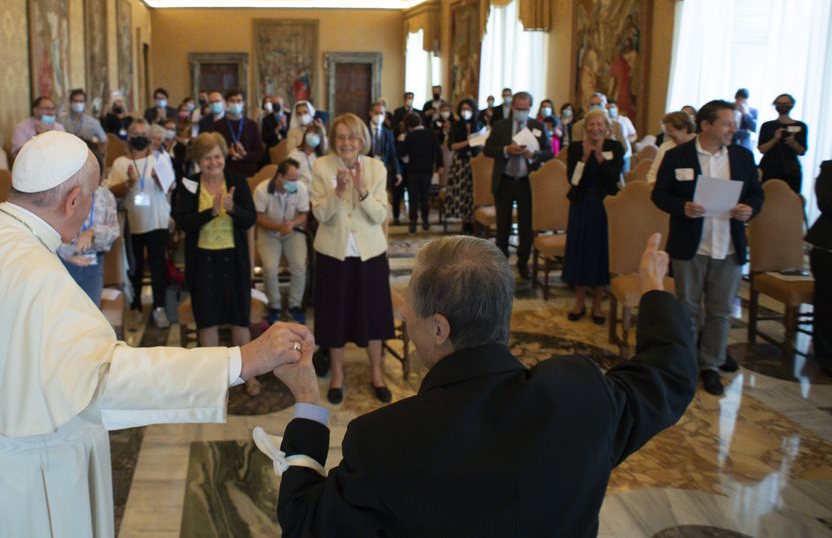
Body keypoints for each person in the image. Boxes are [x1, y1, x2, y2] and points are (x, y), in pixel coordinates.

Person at [0, 131, 310, 536]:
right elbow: (107, 378)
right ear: (73, 201)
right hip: (15, 481)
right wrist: (244, 359)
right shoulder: (35, 274)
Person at [267, 233, 696, 537]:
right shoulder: (580, 396)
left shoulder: (384, 440)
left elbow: (305, 522)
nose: (402, 317)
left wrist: (307, 401)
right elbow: (670, 375)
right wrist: (654, 290)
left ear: (439, 328)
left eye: (409, 306)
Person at [652, 99, 764, 396]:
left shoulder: (742, 156)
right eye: (727, 123)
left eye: (734, 123)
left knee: (720, 310)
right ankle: (686, 364)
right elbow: (660, 195)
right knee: (687, 309)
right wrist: (682, 206)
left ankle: (711, 364)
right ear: (706, 125)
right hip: (691, 245)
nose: (734, 129)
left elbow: (756, 194)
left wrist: (748, 209)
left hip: (728, 245)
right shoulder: (678, 156)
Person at [311, 114, 394, 404]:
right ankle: (337, 376)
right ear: (334, 140)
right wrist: (338, 193)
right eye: (341, 137)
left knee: (373, 316)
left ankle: (376, 374)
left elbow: (380, 215)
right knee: (334, 317)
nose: (347, 143)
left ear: (362, 140)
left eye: (353, 137)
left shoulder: (376, 167)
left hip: (369, 253)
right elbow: (320, 214)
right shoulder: (322, 166)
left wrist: (360, 191)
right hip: (333, 254)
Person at [172, 132, 261, 395]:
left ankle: (248, 376)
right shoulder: (189, 183)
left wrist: (232, 209)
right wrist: (209, 213)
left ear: (225, 157)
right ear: (199, 160)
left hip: (234, 260)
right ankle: (214, 381)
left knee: (239, 320)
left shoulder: (238, 181)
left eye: (218, 156)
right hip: (203, 262)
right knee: (207, 320)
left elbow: (249, 219)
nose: (214, 162)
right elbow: (184, 222)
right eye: (207, 158)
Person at [107, 120, 174, 329]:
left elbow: (171, 187)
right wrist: (129, 183)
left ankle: (159, 307)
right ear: (129, 136)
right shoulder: (120, 163)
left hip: (157, 220)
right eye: (135, 133)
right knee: (135, 267)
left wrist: (158, 178)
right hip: (132, 223)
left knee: (157, 266)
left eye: (143, 133)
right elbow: (111, 192)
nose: (139, 137)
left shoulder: (160, 159)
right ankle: (135, 306)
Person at [562, 109, 625, 324]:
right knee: (580, 250)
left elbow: (613, 178)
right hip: (582, 205)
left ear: (607, 128)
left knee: (601, 252)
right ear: (585, 127)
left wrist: (599, 157)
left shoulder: (615, 148)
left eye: (599, 125)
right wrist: (585, 156)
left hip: (606, 206)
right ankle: (579, 301)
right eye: (591, 125)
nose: (595, 128)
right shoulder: (575, 148)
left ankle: (598, 304)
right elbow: (573, 179)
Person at [483, 91, 552, 279]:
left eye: (525, 109)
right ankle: (501, 263)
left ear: (530, 108)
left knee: (526, 225)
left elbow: (549, 151)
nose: (521, 112)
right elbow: (488, 149)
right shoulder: (500, 126)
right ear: (512, 107)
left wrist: (534, 155)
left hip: (526, 182)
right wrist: (506, 150)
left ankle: (523, 263)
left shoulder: (537, 126)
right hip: (504, 180)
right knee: (503, 225)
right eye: (518, 108)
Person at [59, 147, 119, 307]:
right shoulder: (61, 194)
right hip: (63, 263)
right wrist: (66, 254)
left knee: (91, 317)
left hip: (94, 263)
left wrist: (92, 232)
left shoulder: (105, 196)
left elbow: (114, 230)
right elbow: (49, 230)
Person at [255, 158, 310, 325]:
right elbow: (258, 218)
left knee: (299, 266)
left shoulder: (300, 188)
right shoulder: (262, 190)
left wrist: (292, 224)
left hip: (293, 232)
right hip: (269, 232)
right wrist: (278, 227)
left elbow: (303, 214)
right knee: (270, 268)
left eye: (297, 178)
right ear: (279, 177)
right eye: (292, 179)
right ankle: (275, 306)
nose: (296, 183)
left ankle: (294, 305)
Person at [805, 160, 832, 377]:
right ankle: (826, 356)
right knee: (826, 303)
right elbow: (826, 203)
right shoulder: (829, 168)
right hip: (827, 247)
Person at [444, 98, 484, 235]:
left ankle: (476, 222)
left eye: (468, 109)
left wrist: (478, 142)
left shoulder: (478, 124)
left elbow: (482, 144)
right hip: (461, 162)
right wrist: (468, 142)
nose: (465, 112)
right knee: (463, 192)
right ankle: (465, 222)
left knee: (475, 192)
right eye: (463, 109)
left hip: (476, 161)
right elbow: (451, 146)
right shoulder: (456, 125)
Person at [398, 112, 443, 235]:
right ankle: (426, 222)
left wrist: (401, 141)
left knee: (413, 198)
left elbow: (401, 153)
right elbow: (438, 151)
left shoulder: (409, 136)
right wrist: (440, 165)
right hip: (427, 170)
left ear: (408, 126)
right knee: (425, 197)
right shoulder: (431, 134)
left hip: (413, 171)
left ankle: (413, 224)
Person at [758, 93, 808, 193]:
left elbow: (802, 151)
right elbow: (761, 149)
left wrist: (793, 143)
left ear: (792, 105)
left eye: (786, 103)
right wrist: (775, 139)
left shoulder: (801, 126)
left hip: (790, 169)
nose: (782, 106)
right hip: (769, 167)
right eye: (779, 103)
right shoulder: (767, 126)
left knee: (791, 198)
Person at [213, 88, 264, 176]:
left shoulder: (252, 125)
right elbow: (212, 151)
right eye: (232, 101)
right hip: (224, 171)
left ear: (243, 103)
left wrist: (244, 154)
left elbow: (259, 153)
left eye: (239, 101)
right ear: (226, 103)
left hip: (248, 172)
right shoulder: (217, 126)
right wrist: (227, 152)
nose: (235, 104)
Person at [647, 111, 696, 184]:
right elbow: (653, 174)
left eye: (670, 131)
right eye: (666, 131)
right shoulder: (665, 147)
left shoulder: (700, 145)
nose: (668, 134)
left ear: (684, 129)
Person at [368, 100, 403, 195]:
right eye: (376, 112)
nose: (379, 115)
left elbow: (392, 154)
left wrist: (397, 172)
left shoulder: (388, 133)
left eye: (381, 113)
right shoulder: (364, 130)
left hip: (382, 170)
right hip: (366, 169)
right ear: (370, 113)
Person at [288, 121, 326, 189]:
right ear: (305, 135)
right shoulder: (294, 155)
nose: (313, 137)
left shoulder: (322, 157)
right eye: (311, 134)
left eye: (316, 135)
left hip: (318, 193)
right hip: (300, 192)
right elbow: (289, 178)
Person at [606, 98, 637, 172]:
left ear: (617, 108)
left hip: (625, 154)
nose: (610, 110)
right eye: (608, 108)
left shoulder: (624, 120)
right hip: (608, 154)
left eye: (612, 107)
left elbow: (634, 135)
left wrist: (626, 140)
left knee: (624, 175)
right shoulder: (603, 121)